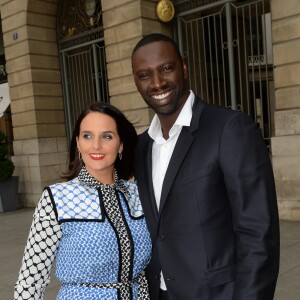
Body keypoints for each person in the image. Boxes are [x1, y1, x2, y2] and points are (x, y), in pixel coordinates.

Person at [131, 33, 280, 300]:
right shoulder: (141, 146)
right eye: (144, 75)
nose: (157, 82)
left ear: (184, 67)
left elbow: (258, 235)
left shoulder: (230, 129)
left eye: (166, 68)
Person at [14, 102, 152, 300]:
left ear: (120, 144)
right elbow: (31, 280)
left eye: (107, 136)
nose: (96, 145)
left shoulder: (138, 194)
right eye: (88, 136)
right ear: (78, 143)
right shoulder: (57, 198)